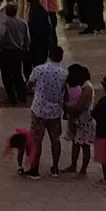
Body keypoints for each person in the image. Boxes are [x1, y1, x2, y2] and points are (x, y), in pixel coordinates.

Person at [26, 44, 68, 174]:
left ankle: (34, 169)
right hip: (55, 111)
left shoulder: (38, 69)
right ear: (61, 57)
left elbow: (29, 85)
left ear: (49, 55)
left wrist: (35, 91)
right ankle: (55, 168)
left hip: (39, 109)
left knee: (36, 140)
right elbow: (65, 92)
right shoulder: (64, 74)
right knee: (55, 140)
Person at [0, 0, 31, 106]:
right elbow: (27, 39)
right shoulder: (22, 23)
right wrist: (24, 49)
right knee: (17, 74)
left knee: (6, 75)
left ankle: (11, 98)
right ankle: (22, 96)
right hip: (18, 52)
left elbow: (0, 37)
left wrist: (1, 46)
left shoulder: (4, 23)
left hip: (6, 52)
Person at [64, 65, 95, 178]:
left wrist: (67, 107)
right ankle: (73, 165)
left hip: (84, 119)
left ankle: (83, 170)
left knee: (84, 144)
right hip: (76, 118)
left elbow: (80, 106)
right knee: (75, 142)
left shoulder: (87, 87)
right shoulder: (79, 85)